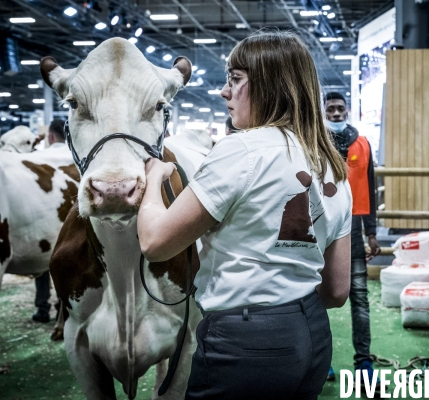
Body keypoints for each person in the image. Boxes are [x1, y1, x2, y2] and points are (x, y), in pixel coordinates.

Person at [137, 31, 352, 400]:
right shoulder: (331, 166)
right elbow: (336, 290)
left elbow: (155, 243)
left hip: (245, 342)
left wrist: (155, 181)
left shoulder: (241, 150)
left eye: (235, 79)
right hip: (313, 335)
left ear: (270, 85)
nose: (224, 91)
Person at [322, 91, 380, 383]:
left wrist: (372, 232)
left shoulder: (363, 144)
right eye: (330, 109)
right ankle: (321, 363)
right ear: (324, 111)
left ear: (346, 111)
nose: (335, 113)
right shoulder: (314, 142)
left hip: (355, 229)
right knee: (316, 297)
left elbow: (370, 187)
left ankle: (364, 365)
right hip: (321, 229)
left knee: (359, 297)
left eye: (339, 109)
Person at [32, 119, 66, 323]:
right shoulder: (78, 160)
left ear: (51, 137)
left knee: (42, 263)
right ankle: (64, 305)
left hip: (43, 222)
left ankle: (42, 307)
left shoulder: (37, 160)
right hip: (71, 226)